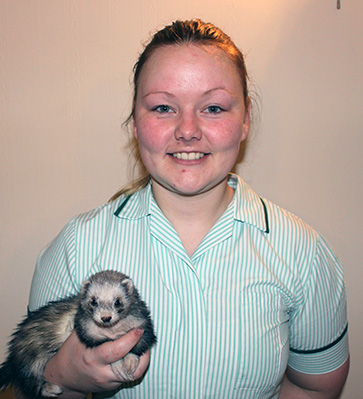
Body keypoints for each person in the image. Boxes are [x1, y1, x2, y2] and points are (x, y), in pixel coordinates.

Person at [26, 19, 349, 399]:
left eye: (213, 107)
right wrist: (65, 375)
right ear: (135, 122)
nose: (188, 130)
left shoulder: (303, 253)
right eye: (163, 107)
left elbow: (314, 386)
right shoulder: (77, 246)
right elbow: (34, 375)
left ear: (244, 120)